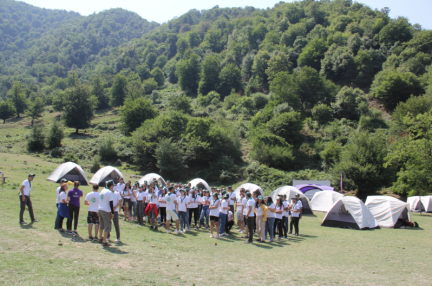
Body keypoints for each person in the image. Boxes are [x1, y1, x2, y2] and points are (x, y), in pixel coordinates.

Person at [98, 180, 115, 247]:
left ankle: (100, 238)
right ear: (111, 185)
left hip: (100, 209)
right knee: (107, 226)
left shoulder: (102, 190)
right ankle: (104, 241)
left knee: (101, 225)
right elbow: (111, 203)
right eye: (113, 185)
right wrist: (112, 213)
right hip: (106, 210)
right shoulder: (109, 192)